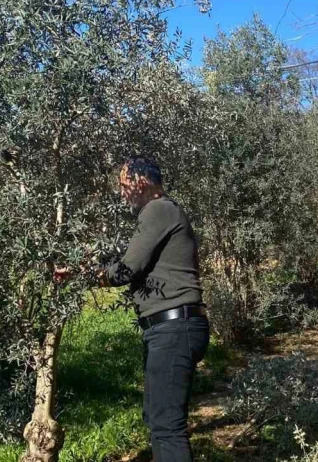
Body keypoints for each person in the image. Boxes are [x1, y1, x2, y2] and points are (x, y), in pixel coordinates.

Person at [101, 156, 209, 462]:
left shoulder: (158, 209)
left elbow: (126, 270)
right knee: (156, 419)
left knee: (167, 427)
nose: (121, 193)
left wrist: (83, 274)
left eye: (123, 186)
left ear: (141, 182)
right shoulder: (163, 212)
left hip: (175, 328)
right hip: (171, 329)